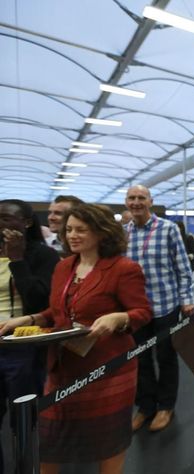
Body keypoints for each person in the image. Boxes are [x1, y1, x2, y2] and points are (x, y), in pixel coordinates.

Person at [0, 204, 152, 473]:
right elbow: (57, 311)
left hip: (107, 370)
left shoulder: (123, 268)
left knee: (108, 440)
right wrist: (29, 319)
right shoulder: (64, 267)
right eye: (69, 229)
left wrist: (118, 318)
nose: (72, 235)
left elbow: (142, 312)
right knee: (50, 439)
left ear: (102, 232)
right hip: (63, 366)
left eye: (81, 230)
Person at [125, 185, 194, 433]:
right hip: (135, 310)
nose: (136, 202)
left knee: (166, 358)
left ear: (150, 201)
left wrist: (186, 299)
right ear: (126, 202)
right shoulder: (124, 234)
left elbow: (183, 268)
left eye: (141, 198)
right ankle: (145, 407)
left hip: (165, 306)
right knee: (139, 361)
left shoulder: (168, 229)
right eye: (132, 198)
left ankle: (166, 406)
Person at [0, 199, 59, 474]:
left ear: (26, 223)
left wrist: (17, 259)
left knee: (24, 418)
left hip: (23, 344)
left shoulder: (42, 256)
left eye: (6, 218)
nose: (0, 223)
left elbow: (40, 302)